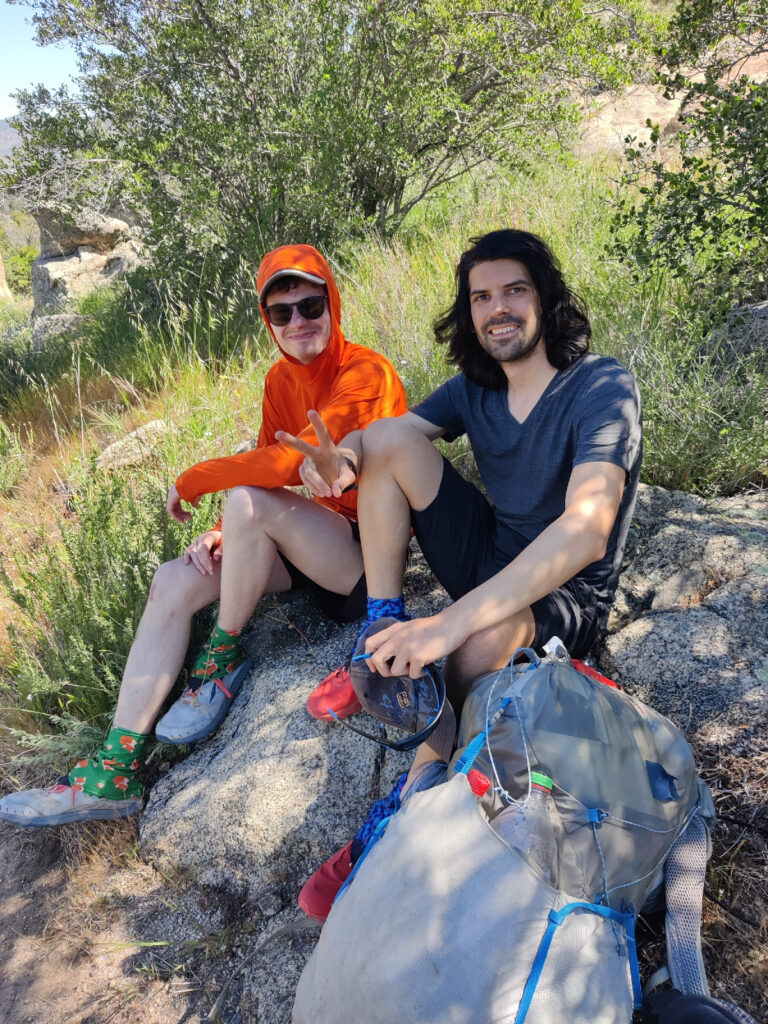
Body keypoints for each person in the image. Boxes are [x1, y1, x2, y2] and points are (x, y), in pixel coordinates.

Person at [289, 228, 642, 919]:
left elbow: (588, 529)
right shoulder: (473, 388)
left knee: (482, 639)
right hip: (487, 556)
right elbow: (383, 442)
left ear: (545, 298)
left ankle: (416, 784)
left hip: (564, 595)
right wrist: (345, 463)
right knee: (391, 437)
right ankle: (381, 638)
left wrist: (448, 625)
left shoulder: (601, 385)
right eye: (481, 297)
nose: (496, 309)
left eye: (514, 290)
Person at [0, 244, 406, 828]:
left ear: (332, 303)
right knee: (173, 579)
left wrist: (194, 480)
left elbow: (278, 472)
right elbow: (270, 459)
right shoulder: (278, 380)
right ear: (267, 321)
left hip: (362, 565)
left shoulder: (365, 372)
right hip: (303, 550)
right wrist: (221, 531)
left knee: (244, 495)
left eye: (311, 304)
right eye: (281, 312)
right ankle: (113, 771)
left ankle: (220, 658)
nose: (298, 322)